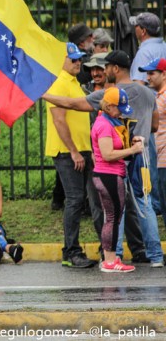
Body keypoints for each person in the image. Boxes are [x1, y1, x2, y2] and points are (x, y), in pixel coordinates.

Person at [43, 50, 162, 267]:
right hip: (143, 155)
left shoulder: (110, 95)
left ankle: (113, 254)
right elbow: (155, 125)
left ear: (115, 69)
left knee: (117, 208)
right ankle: (155, 256)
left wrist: (43, 95)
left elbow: (71, 104)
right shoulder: (146, 93)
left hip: (121, 159)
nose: (104, 71)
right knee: (144, 204)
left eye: (106, 66)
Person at [44, 43, 98, 269]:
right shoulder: (58, 83)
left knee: (84, 200)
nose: (78, 63)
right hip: (68, 152)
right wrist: (74, 151)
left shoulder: (74, 83)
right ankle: (71, 251)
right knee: (75, 199)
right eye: (73, 59)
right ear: (62, 60)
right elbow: (59, 120)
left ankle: (75, 249)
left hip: (81, 150)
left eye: (79, 59)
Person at [91, 87, 142, 273]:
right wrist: (133, 151)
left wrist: (133, 140)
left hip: (110, 175)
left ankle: (110, 257)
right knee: (112, 218)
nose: (121, 111)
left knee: (113, 217)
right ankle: (110, 260)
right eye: (119, 107)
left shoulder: (110, 120)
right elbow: (108, 154)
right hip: (109, 175)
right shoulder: (104, 124)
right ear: (110, 106)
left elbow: (116, 143)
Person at [139, 58, 166, 229]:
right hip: (160, 159)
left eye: (152, 73)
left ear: (164, 74)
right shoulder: (158, 96)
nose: (148, 77)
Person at [129, 12, 166, 85]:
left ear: (143, 31)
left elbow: (139, 85)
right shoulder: (164, 46)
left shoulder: (144, 53)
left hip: (152, 96)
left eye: (136, 26)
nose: (134, 28)